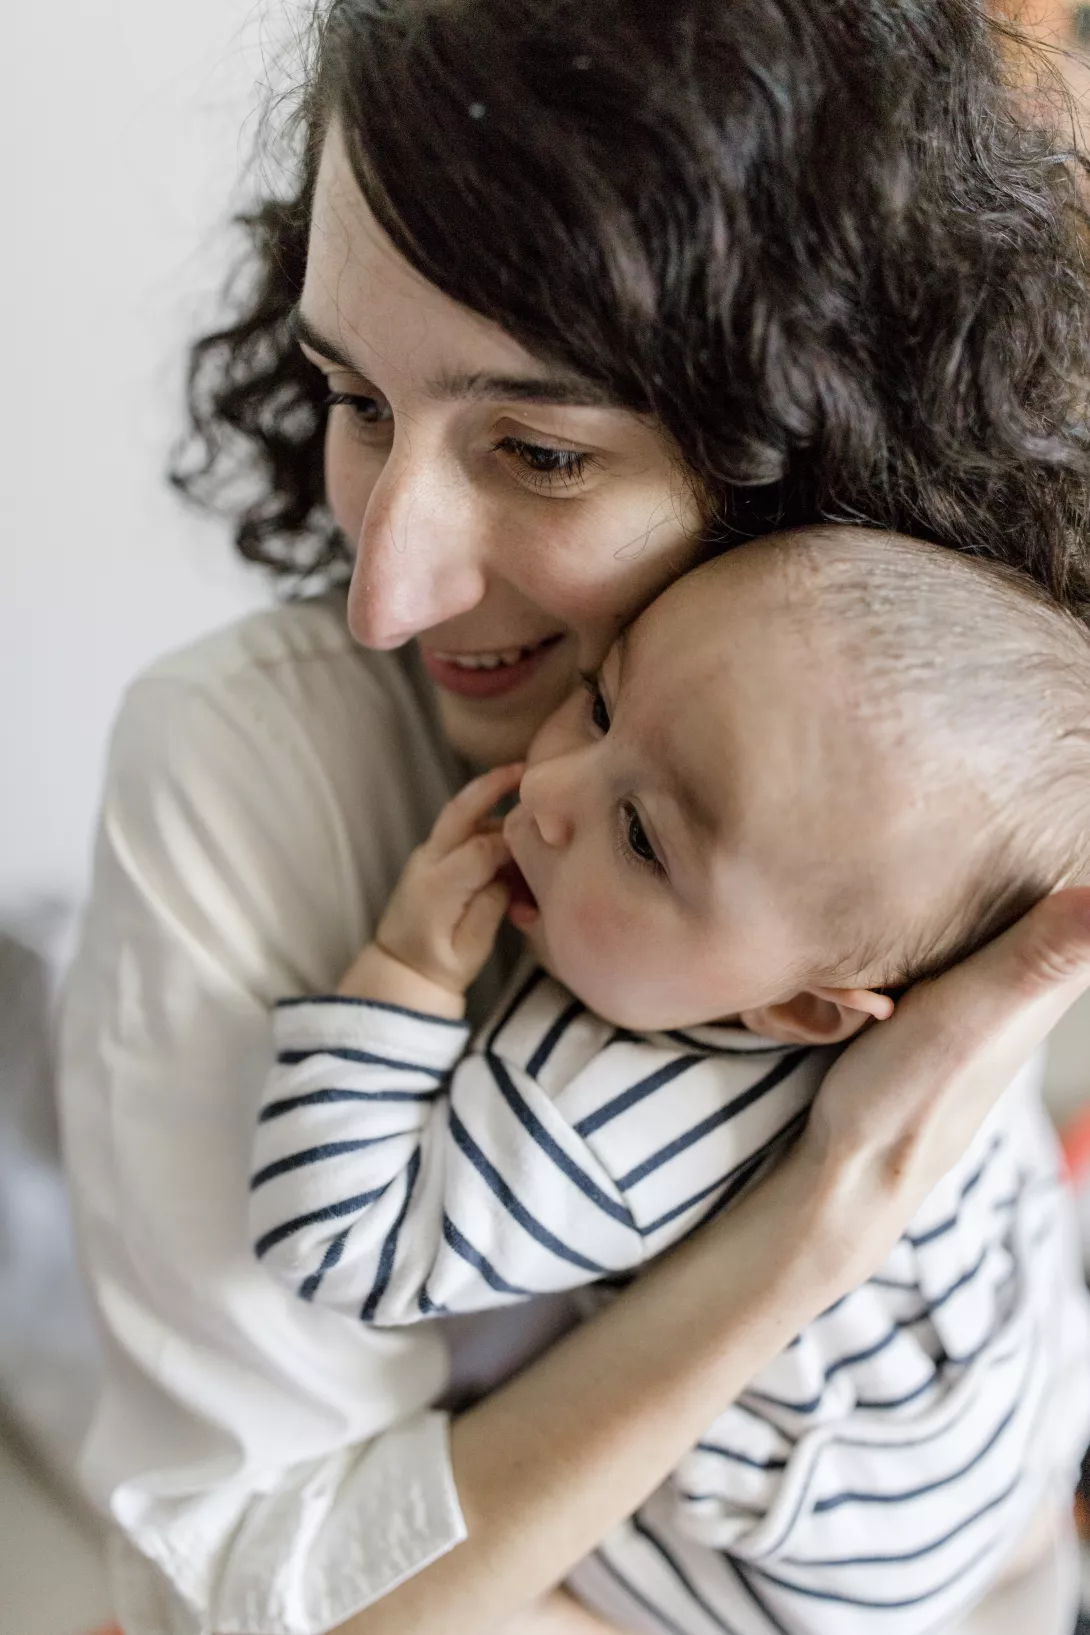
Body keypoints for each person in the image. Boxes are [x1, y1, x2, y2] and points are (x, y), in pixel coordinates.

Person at [57, 3, 1090, 1633]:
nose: (385, 596)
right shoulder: (239, 768)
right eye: (357, 399)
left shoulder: (940, 746)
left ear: (802, 431)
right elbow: (255, 1599)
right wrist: (822, 1220)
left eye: (538, 449)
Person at [248, 529, 1090, 1633]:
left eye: (641, 838)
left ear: (800, 1012)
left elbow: (335, 1243)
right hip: (1016, 1412)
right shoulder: (944, 997)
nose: (548, 791)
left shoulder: (602, 1114)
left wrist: (401, 976)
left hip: (810, 1576)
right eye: (598, 706)